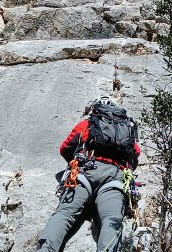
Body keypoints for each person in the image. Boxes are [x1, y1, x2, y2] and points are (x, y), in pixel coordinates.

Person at [37, 96, 141, 252]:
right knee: (112, 220)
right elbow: (135, 156)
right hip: (115, 178)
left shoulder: (88, 124)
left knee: (64, 214)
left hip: (86, 172)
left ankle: (45, 249)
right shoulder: (127, 129)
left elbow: (65, 148)